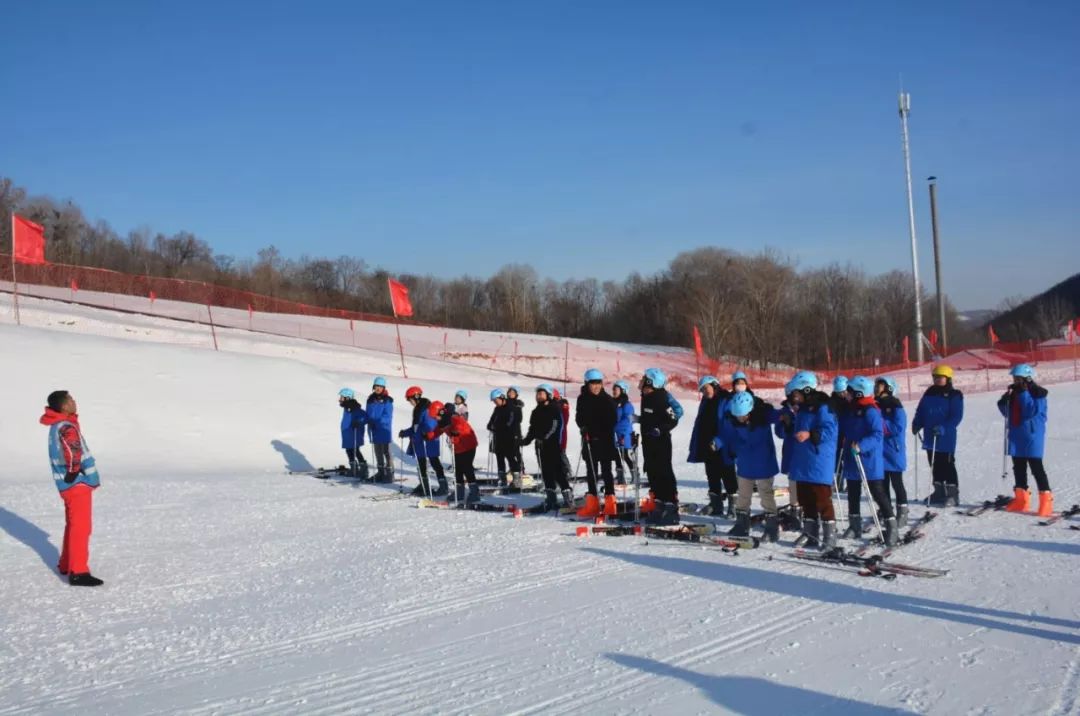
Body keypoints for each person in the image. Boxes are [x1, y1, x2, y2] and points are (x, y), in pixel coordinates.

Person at [40, 390, 103, 587]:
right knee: (81, 527)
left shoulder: (58, 425)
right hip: (77, 484)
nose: (75, 402)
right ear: (64, 406)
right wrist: (74, 471)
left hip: (71, 484)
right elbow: (72, 450)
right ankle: (78, 572)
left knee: (73, 524)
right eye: (71, 400)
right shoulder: (66, 426)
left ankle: (67, 564)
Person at [840, 376, 897, 547]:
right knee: (853, 493)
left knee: (877, 492)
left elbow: (877, 434)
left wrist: (862, 446)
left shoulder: (871, 410)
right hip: (852, 457)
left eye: (849, 392)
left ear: (858, 393)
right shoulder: (850, 410)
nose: (847, 395)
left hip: (868, 459)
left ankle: (891, 526)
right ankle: (854, 525)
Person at [785, 371, 839, 550]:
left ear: (807, 390)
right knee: (805, 499)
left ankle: (830, 536)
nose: (795, 397)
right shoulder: (802, 409)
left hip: (818, 460)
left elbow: (830, 431)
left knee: (822, 499)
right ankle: (811, 535)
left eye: (797, 393)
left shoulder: (823, 406)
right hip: (803, 461)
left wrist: (810, 434)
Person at [719, 391, 782, 542]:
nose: (741, 418)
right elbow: (727, 436)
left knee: (765, 494)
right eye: (738, 416)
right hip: (745, 462)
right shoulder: (732, 419)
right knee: (743, 494)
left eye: (743, 415)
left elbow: (781, 415)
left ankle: (772, 527)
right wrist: (718, 442)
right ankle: (742, 524)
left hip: (763, 462)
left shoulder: (763, 414)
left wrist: (787, 415)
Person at [998, 364, 1051, 516]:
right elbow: (1008, 413)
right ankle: (1021, 499)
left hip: (1032, 435)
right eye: (1014, 378)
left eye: (1018, 378)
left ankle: (1046, 500)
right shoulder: (1016, 392)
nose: (1015, 381)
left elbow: (1030, 411)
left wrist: (1021, 394)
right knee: (1018, 468)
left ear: (1027, 378)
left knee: (1036, 468)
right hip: (1017, 435)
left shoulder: (1037, 394)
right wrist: (1003, 402)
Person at [912, 365, 964, 507]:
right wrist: (917, 423)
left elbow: (956, 417)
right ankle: (939, 491)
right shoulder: (929, 393)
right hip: (930, 435)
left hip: (945, 437)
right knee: (934, 464)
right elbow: (921, 410)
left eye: (940, 377)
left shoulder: (954, 395)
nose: (937, 380)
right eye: (935, 377)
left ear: (947, 379)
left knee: (947, 464)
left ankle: (953, 494)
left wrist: (943, 428)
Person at [520, 383, 574, 511]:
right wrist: (526, 440)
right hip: (540, 446)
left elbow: (556, 426)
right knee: (546, 473)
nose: (538, 396)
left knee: (558, 472)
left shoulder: (554, 408)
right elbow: (532, 428)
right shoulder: (535, 411)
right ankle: (551, 499)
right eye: (537, 394)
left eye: (541, 394)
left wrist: (544, 437)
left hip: (553, 445)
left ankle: (568, 497)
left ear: (548, 395)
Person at [688, 376, 734, 516]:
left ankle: (733, 506)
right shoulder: (705, 401)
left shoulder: (726, 399)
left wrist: (719, 441)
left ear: (714, 385)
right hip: (708, 445)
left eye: (706, 388)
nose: (704, 392)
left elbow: (730, 425)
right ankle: (716, 505)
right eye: (702, 390)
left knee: (728, 474)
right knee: (712, 475)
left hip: (724, 444)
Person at [639, 368, 681, 525]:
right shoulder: (646, 397)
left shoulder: (661, 397)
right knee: (652, 473)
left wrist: (660, 429)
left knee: (664, 473)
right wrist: (639, 419)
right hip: (648, 443)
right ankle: (659, 506)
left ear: (651, 382)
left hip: (661, 443)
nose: (641, 381)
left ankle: (671, 509)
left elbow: (673, 419)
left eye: (644, 379)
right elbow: (650, 417)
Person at [575, 369, 619, 517]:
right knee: (591, 472)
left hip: (604, 440)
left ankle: (610, 503)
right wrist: (583, 427)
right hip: (589, 440)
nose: (596, 387)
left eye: (598, 384)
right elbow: (579, 417)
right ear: (587, 384)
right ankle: (592, 503)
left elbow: (612, 420)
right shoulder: (582, 399)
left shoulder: (607, 400)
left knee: (606, 471)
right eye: (593, 384)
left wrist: (598, 431)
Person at [400, 386, 449, 497]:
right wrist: (406, 432)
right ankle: (424, 485)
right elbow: (416, 427)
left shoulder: (426, 408)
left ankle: (443, 486)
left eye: (410, 400)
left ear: (416, 397)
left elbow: (431, 424)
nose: (409, 402)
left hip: (430, 439)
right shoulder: (418, 409)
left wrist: (425, 433)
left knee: (434, 462)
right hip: (420, 440)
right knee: (421, 463)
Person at [875, 376, 909, 526]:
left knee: (896, 482)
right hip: (879, 451)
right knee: (882, 485)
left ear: (888, 388)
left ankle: (902, 510)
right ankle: (886, 509)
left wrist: (879, 425)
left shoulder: (896, 406)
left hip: (893, 450)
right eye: (876, 385)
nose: (876, 388)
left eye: (880, 385)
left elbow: (897, 427)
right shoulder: (875, 405)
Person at [441, 408, 481, 506]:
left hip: (468, 445)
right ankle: (459, 492)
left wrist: (456, 430)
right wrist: (428, 436)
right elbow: (437, 432)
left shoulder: (453, 418)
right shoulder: (440, 421)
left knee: (467, 468)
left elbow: (459, 423)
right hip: (458, 447)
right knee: (458, 469)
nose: (436, 418)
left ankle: (474, 492)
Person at [486, 389, 522, 484]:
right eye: (494, 401)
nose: (495, 403)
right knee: (499, 457)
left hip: (509, 437)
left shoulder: (511, 407)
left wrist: (499, 427)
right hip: (498, 437)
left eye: (496, 400)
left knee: (510, 457)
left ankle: (517, 478)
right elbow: (491, 421)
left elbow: (510, 422)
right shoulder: (497, 409)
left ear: (501, 397)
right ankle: (502, 478)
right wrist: (491, 426)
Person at [366, 377, 395, 482]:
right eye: (376, 386)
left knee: (386, 452)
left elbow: (387, 416)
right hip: (373, 430)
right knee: (378, 452)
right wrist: (365, 421)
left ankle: (389, 473)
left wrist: (376, 423)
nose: (378, 388)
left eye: (380, 386)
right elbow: (368, 414)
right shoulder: (370, 400)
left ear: (384, 388)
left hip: (383, 429)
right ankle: (380, 472)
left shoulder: (387, 401)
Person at [612, 380, 639, 487]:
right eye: (613, 389)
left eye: (616, 389)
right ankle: (620, 476)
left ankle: (635, 475)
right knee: (616, 455)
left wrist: (620, 432)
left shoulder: (627, 405)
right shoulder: (614, 403)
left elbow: (627, 420)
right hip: (614, 433)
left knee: (625, 455)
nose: (614, 391)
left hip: (624, 434)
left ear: (623, 390)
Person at [338, 388, 369, 479]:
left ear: (347, 398)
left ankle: (364, 470)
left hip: (354, 434)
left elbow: (365, 417)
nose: (340, 399)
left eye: (342, 397)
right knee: (349, 450)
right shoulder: (346, 408)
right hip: (347, 433)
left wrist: (359, 422)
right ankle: (354, 469)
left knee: (356, 451)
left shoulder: (354, 408)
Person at [830, 376, 852, 494]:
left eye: (844, 392)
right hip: (837, 434)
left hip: (847, 433)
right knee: (837, 458)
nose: (843, 394)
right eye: (841, 392)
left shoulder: (849, 401)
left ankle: (850, 482)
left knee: (848, 459)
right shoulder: (833, 402)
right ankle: (838, 482)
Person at [553, 388, 574, 485]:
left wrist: (563, 407)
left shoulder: (563, 404)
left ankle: (567, 470)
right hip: (554, 434)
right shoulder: (553, 405)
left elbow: (565, 420)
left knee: (561, 453)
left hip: (561, 434)